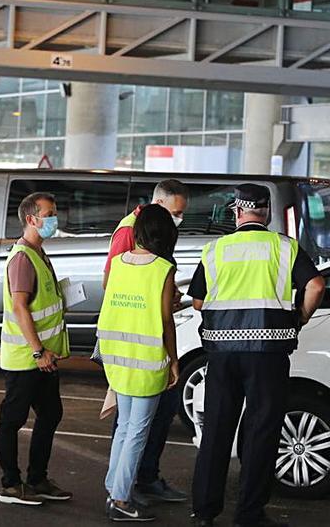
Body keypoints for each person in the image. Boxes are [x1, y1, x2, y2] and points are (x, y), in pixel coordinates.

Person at [188, 184, 326, 527]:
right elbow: (316, 285)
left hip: (222, 354)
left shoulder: (215, 250)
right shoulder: (285, 247)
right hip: (268, 352)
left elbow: (198, 301)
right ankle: (248, 514)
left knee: (217, 430)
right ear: (266, 212)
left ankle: (205, 512)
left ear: (237, 211)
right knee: (262, 432)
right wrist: (300, 317)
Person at [103, 179, 190, 507]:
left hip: (118, 358)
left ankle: (114, 486)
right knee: (138, 432)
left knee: (125, 428)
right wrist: (174, 360)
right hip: (148, 362)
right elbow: (166, 321)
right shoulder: (163, 269)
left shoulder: (120, 265)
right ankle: (121, 500)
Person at [0, 192, 73, 507]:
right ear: (31, 219)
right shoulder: (23, 258)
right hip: (27, 358)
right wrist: (38, 351)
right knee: (12, 420)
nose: (54, 219)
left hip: (44, 358)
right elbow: (20, 307)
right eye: (49, 213)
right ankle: (11, 485)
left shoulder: (38, 253)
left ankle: (37, 478)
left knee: (51, 413)